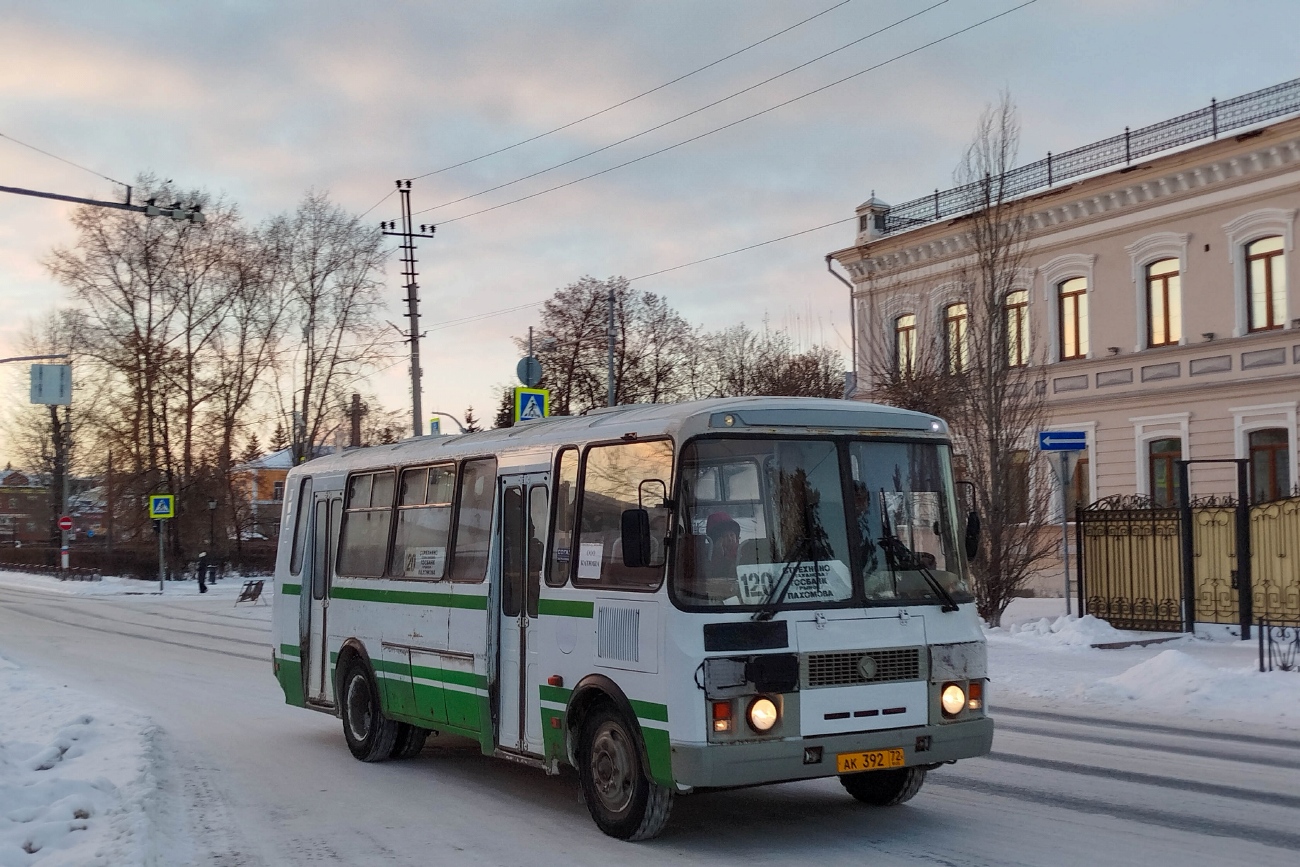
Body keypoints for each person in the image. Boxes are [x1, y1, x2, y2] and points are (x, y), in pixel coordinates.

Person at [703, 511, 742, 600]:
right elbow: (712, 577)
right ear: (717, 541)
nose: (730, 538)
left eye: (732, 535)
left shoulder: (743, 551)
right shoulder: (708, 556)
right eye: (725, 536)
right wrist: (718, 554)